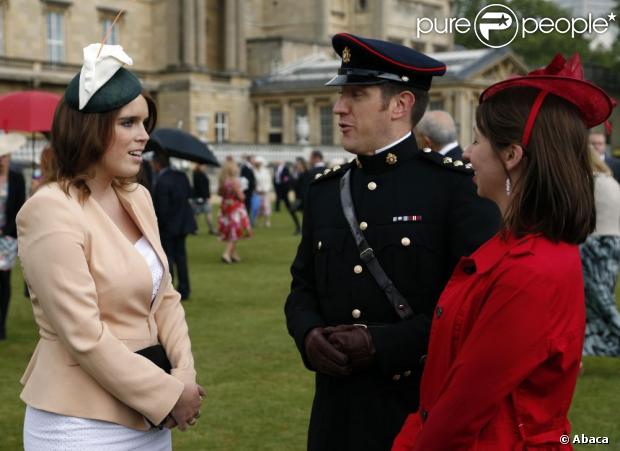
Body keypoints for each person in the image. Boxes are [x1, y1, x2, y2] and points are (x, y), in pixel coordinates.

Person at [284, 33, 500, 451]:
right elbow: (301, 288)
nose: (339, 107)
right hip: (335, 419)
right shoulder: (325, 191)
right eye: (342, 94)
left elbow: (473, 310)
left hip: (415, 414)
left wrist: (381, 344)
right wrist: (309, 336)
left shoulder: (457, 189)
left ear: (400, 105)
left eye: (356, 95)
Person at [392, 53, 615, 450]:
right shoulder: (519, 247)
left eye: (477, 140)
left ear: (511, 155)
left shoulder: (529, 269)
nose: (468, 153)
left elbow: (464, 407)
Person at [17, 43, 204, 450]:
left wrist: (185, 374)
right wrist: (169, 394)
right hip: (81, 423)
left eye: (144, 123)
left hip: (151, 418)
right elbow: (83, 336)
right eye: (128, 123)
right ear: (90, 129)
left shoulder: (137, 196)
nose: (144, 136)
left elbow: (166, 298)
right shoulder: (49, 211)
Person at [580, 148, 620, 356]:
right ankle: (591, 346)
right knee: (599, 300)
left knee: (600, 302)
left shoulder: (592, 181)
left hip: (597, 243)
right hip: (611, 243)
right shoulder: (608, 180)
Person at [152, 150, 197, 301]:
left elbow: (162, 208)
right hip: (183, 223)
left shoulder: (161, 181)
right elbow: (189, 194)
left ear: (157, 164)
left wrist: (160, 225)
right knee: (181, 257)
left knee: (168, 258)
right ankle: (185, 288)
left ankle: (169, 289)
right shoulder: (181, 176)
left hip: (169, 225)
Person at [0, 133, 26, 340]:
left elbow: (19, 209)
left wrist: (6, 231)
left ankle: (2, 325)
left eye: (4, 155)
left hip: (7, 240)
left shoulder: (17, 179)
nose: (2, 159)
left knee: (4, 280)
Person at [218, 159, 252, 263]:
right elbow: (241, 196)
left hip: (226, 208)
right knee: (236, 232)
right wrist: (242, 193)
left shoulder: (223, 181)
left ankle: (233, 254)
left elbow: (220, 194)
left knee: (231, 231)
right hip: (235, 209)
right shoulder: (234, 181)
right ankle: (227, 254)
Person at [274, 160, 301, 234]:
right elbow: (290, 182)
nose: (296, 166)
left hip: (302, 197)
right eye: (295, 165)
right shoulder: (293, 173)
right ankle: (299, 227)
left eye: (297, 165)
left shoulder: (302, 173)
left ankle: (300, 228)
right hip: (296, 196)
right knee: (292, 210)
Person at [192, 163, 216, 234]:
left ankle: (196, 229)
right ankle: (195, 229)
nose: (205, 167)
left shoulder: (199, 174)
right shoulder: (198, 174)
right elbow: (201, 187)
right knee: (198, 214)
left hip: (202, 197)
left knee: (203, 214)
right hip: (201, 198)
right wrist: (206, 196)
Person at [253, 156, 274, 227]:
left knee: (266, 206)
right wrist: (257, 190)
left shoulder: (266, 171)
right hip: (257, 192)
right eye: (256, 163)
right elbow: (254, 182)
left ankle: (267, 221)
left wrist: (265, 190)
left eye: (258, 163)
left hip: (265, 192)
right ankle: (257, 221)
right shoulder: (254, 171)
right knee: (257, 207)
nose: (257, 164)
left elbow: (269, 181)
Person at [239, 154, 257, 224]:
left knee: (249, 205)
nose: (254, 161)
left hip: (249, 189)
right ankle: (246, 220)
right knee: (247, 205)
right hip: (247, 190)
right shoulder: (245, 168)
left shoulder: (249, 167)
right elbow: (245, 180)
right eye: (253, 159)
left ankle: (247, 220)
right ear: (250, 160)